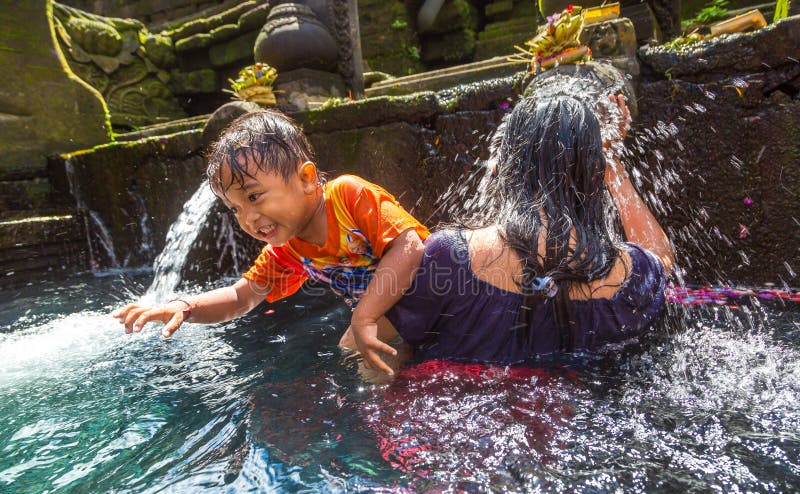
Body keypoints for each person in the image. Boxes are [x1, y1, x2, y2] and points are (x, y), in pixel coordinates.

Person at [113, 109, 429, 376]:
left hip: (437, 286)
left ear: (306, 179)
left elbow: (410, 247)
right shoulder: (286, 251)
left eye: (254, 196)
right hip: (392, 312)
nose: (248, 217)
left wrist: (365, 316)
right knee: (354, 354)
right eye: (235, 208)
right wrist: (185, 306)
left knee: (361, 349)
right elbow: (241, 296)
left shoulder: (346, 197)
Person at [381, 94, 675, 368]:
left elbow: (362, 343)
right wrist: (613, 166)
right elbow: (659, 257)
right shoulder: (631, 274)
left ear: (506, 166)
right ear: (594, 176)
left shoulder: (449, 257)